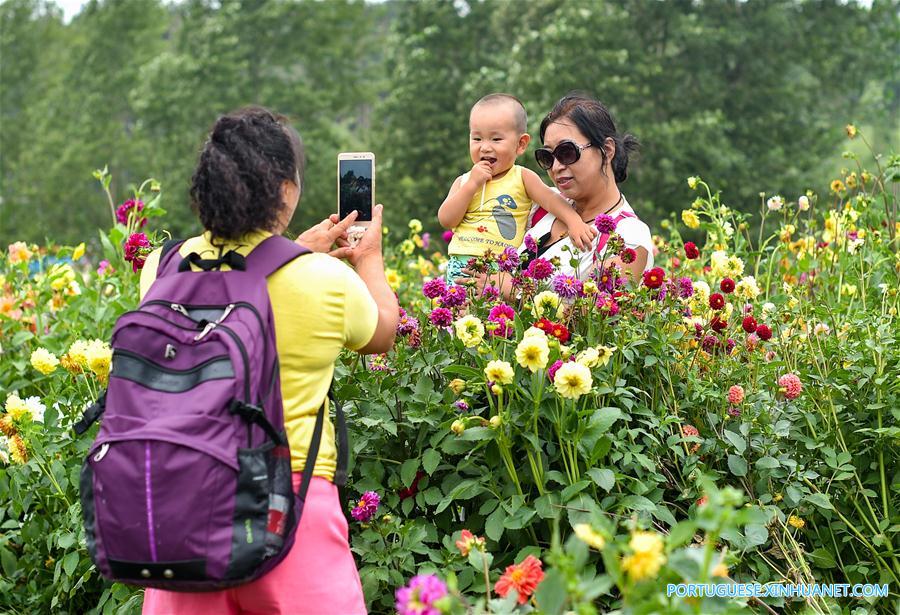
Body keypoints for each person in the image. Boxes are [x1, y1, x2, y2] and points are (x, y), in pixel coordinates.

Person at [139, 106, 398, 615]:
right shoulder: (322, 279)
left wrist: (292, 251)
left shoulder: (160, 268)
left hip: (186, 508)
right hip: (292, 509)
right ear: (284, 189)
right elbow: (382, 333)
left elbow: (237, 285)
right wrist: (368, 259)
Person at [462, 93, 653, 296]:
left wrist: (515, 292)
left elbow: (597, 318)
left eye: (567, 152)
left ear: (606, 150)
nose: (556, 166)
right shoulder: (542, 204)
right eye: (547, 157)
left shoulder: (628, 237)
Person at [438, 93, 598, 282]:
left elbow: (552, 200)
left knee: (492, 311)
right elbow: (447, 220)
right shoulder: (464, 181)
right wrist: (472, 185)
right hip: (461, 265)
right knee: (457, 310)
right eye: (477, 139)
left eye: (496, 139)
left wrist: (574, 222)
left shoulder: (522, 177)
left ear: (521, 144)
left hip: (500, 269)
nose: (485, 147)